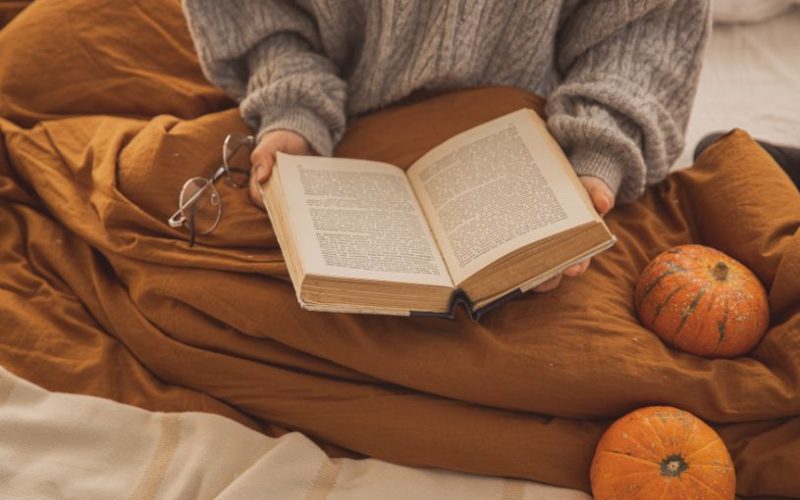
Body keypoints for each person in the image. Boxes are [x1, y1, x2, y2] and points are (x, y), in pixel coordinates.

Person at [182, 0, 710, 291]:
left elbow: (642, 34)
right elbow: (262, 16)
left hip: (543, 140)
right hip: (340, 121)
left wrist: (594, 161)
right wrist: (291, 108)